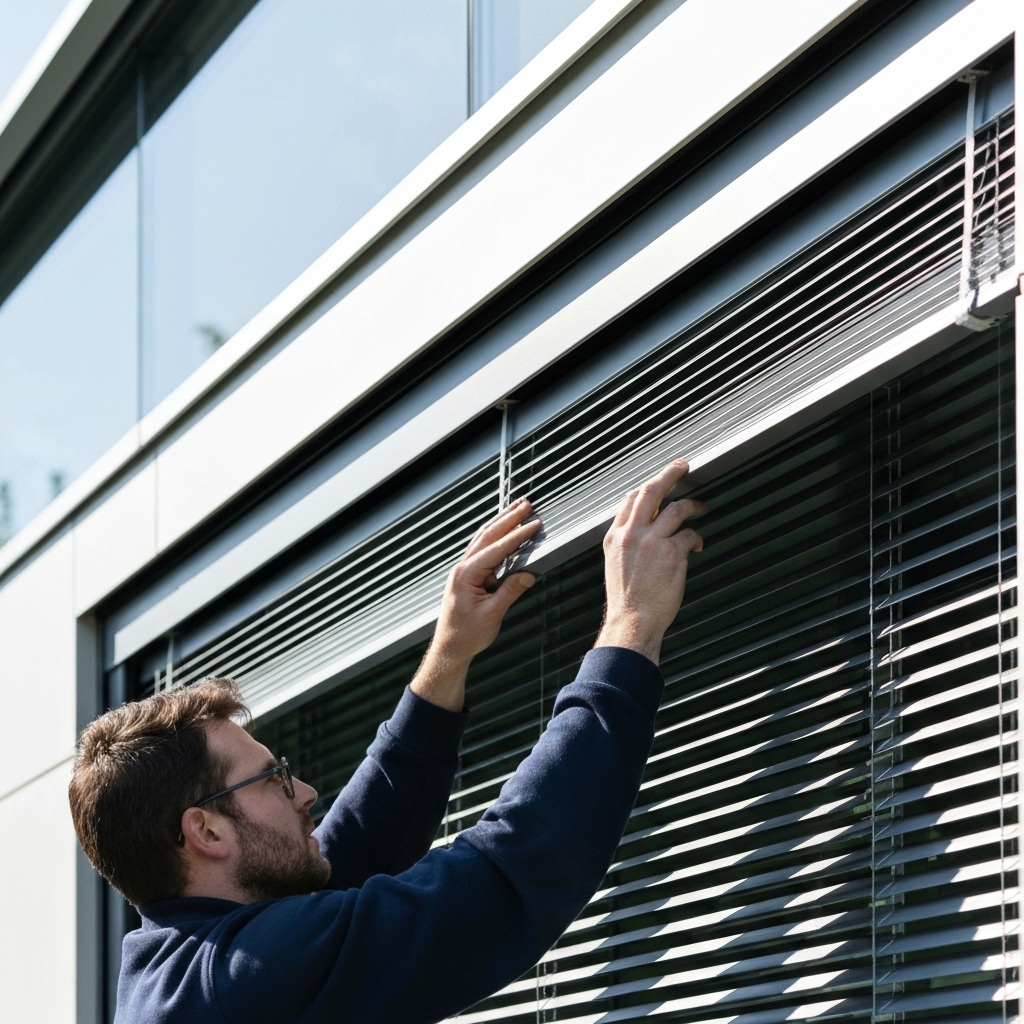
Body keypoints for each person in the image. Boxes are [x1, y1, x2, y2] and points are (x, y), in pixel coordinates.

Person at [70, 460, 706, 1024]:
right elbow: (505, 874)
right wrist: (631, 624)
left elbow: (349, 853)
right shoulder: (242, 980)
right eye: (274, 779)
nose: (307, 792)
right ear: (206, 832)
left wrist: (450, 652)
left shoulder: (175, 967)